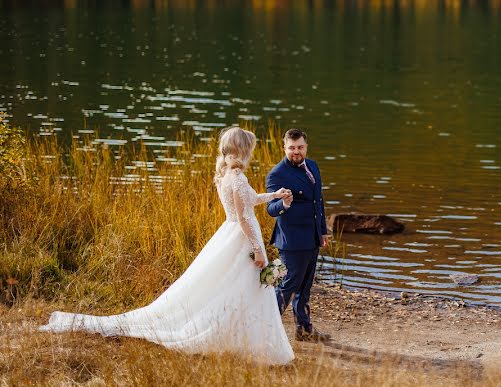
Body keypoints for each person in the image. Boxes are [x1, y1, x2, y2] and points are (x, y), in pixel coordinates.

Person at [40, 127, 295, 365]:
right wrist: (258, 249)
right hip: (241, 238)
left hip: (232, 236)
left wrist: (274, 195)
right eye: (249, 147)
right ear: (242, 149)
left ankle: (238, 338)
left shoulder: (228, 174)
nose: (251, 152)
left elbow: (249, 201)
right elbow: (242, 217)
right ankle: (236, 339)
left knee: (233, 288)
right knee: (239, 289)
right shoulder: (237, 177)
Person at [266, 128, 331, 342]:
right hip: (292, 241)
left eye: (300, 147)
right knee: (289, 285)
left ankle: (304, 330)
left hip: (311, 237)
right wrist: (284, 203)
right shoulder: (277, 174)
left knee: (305, 286)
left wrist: (322, 231)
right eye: (292, 148)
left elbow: (318, 202)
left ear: (306, 147)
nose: (296, 152)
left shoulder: (313, 166)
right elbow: (270, 209)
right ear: (284, 148)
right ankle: (265, 329)